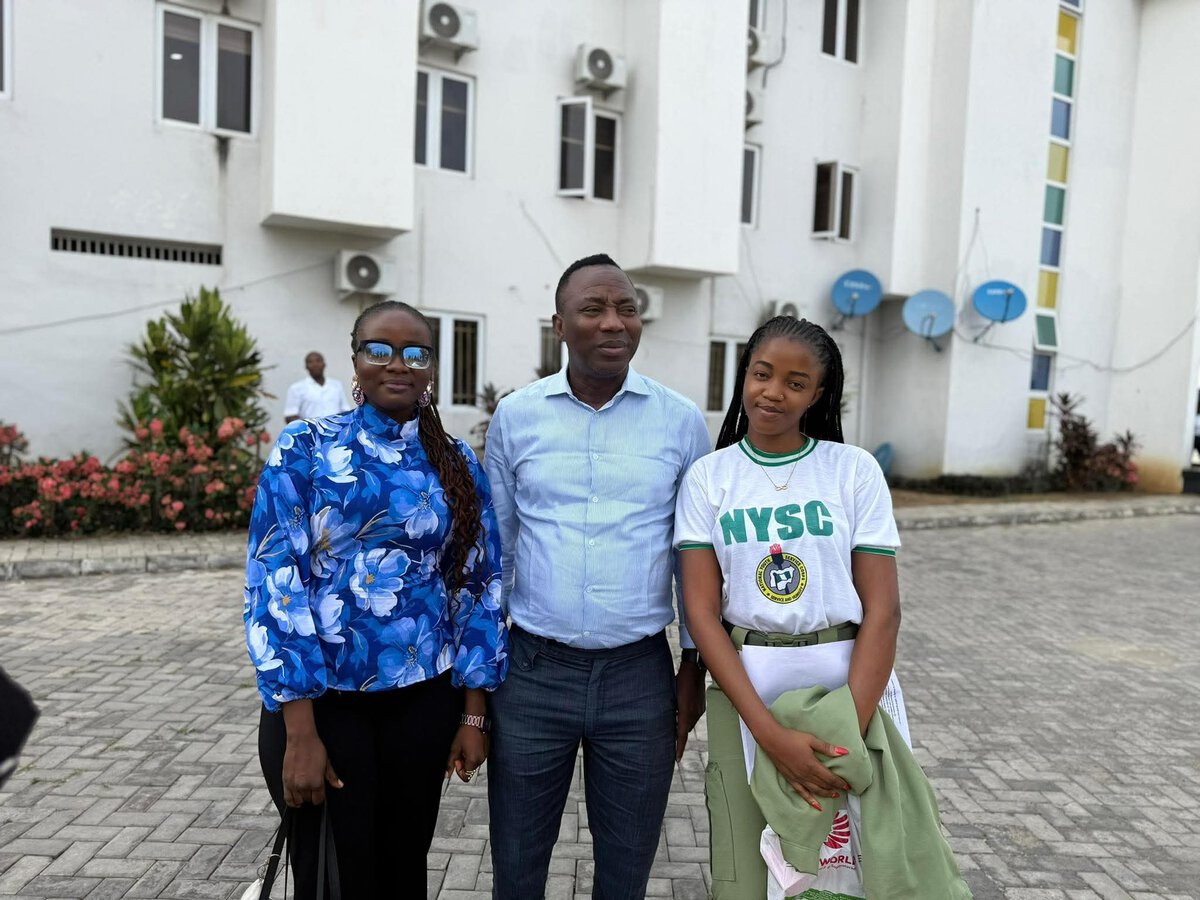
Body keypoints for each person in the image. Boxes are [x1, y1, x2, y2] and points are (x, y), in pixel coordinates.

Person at [244, 300, 508, 899]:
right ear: (355, 361)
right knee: (334, 878)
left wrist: (472, 711)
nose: (399, 365)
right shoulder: (306, 448)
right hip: (324, 710)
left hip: (422, 706)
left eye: (416, 353)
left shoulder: (457, 461)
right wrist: (301, 732)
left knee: (401, 873)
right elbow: (275, 584)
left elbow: (477, 585)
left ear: (431, 368)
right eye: (380, 351)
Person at [484, 253, 711, 899]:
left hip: (638, 681)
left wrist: (691, 668)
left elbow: (693, 560)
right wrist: (475, 693)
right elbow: (496, 554)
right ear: (559, 324)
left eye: (627, 308)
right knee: (518, 868)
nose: (614, 323)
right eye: (593, 309)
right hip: (531, 676)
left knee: (626, 872)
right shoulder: (517, 417)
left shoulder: (680, 421)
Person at [675, 315, 915, 898]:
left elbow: (883, 612)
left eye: (795, 382)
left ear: (819, 394)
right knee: (749, 869)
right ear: (744, 377)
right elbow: (702, 614)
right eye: (762, 374)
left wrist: (846, 731)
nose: (773, 392)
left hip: (847, 682)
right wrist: (770, 733)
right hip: (747, 683)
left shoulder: (853, 471)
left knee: (854, 868)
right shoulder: (709, 478)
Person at [283, 351, 350, 423]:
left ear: (324, 364)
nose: (315, 364)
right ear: (306, 366)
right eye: (310, 362)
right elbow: (290, 416)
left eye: (318, 361)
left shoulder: (337, 385)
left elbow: (345, 411)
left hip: (337, 431)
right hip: (310, 432)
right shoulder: (296, 388)